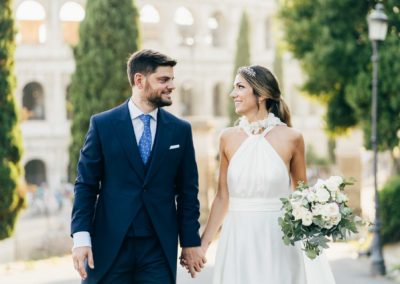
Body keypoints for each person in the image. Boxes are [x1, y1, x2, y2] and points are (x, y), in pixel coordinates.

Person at [71, 49, 206, 284]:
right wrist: (81, 238)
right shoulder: (103, 125)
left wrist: (190, 241)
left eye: (172, 79)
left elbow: (187, 192)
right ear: (139, 80)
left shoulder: (180, 130)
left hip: (157, 248)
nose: (171, 86)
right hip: (109, 245)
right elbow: (86, 185)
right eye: (164, 79)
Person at [198, 65, 336, 283]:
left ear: (261, 95)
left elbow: (301, 194)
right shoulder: (227, 138)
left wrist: (325, 214)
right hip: (237, 237)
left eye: (240, 87)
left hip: (278, 238)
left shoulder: (293, 138)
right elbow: (222, 197)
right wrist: (203, 244)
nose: (232, 94)